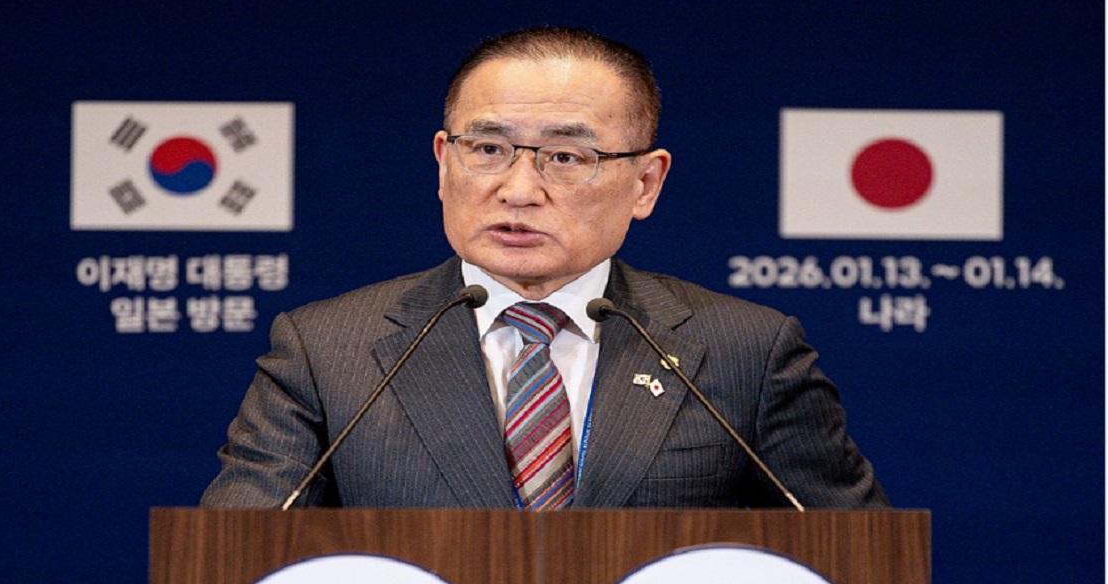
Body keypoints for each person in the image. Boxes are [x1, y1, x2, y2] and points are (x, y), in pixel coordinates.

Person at [199, 26, 888, 511]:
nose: (519, 189)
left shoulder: (746, 351)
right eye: (487, 149)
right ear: (443, 163)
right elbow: (239, 561)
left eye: (566, 157)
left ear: (646, 183)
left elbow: (855, 567)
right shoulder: (326, 349)